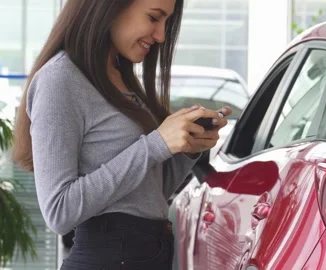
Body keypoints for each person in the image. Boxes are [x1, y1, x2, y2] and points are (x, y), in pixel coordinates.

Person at [12, 0, 231, 269]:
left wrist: (187, 149)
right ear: (110, 7)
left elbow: (149, 194)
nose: (161, 35)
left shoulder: (120, 76)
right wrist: (156, 144)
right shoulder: (59, 80)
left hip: (149, 253)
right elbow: (58, 211)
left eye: (166, 22)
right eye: (153, 18)